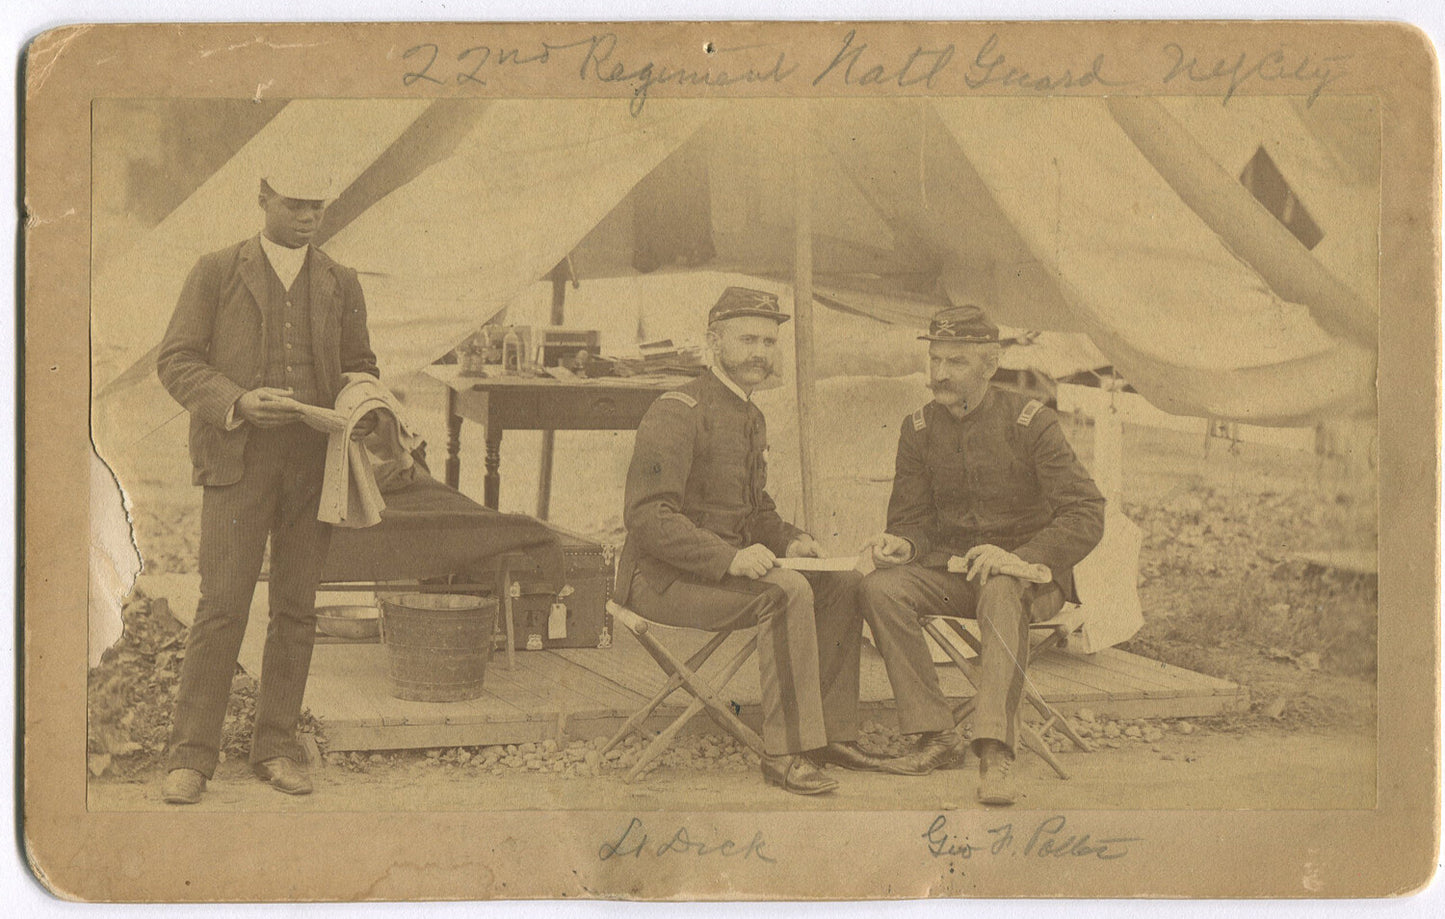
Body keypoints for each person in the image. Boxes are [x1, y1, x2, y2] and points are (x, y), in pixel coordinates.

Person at [156, 165, 380, 804]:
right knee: (222, 604)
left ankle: (276, 745)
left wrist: (365, 403)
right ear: (262, 198)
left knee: (296, 609)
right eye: (295, 203)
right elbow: (176, 360)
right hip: (238, 460)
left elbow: (360, 366)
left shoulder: (342, 281)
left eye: (318, 204)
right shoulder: (216, 271)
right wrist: (238, 401)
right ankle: (192, 756)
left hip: (314, 466)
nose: (309, 215)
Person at [615, 287, 884, 795]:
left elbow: (754, 508)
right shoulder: (678, 410)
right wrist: (730, 558)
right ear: (714, 341)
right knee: (786, 592)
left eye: (769, 341)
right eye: (747, 340)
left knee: (843, 584)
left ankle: (827, 735)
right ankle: (784, 754)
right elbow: (647, 515)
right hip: (661, 580)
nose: (760, 352)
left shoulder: (750, 413)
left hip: (718, 574)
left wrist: (792, 538)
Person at [860, 304, 1104, 806]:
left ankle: (995, 753)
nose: (939, 374)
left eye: (956, 362)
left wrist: (1021, 557)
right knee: (880, 587)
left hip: (1029, 581)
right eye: (935, 360)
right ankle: (935, 734)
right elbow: (911, 522)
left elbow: (1086, 511)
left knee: (1000, 587)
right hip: (952, 572)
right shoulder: (919, 429)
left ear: (990, 366)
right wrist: (902, 543)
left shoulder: (1031, 422)